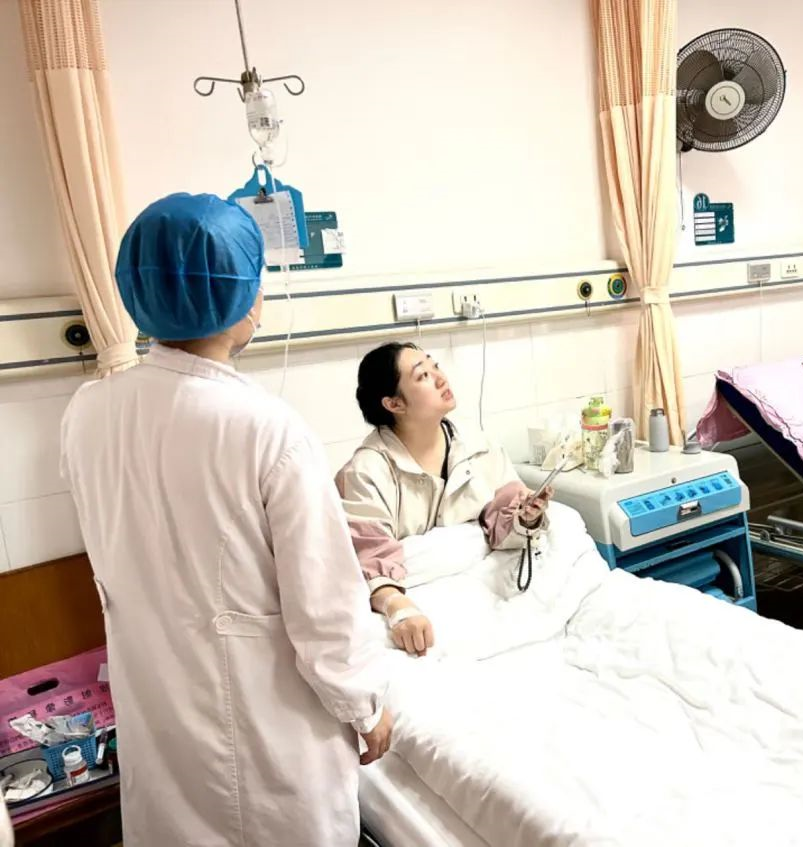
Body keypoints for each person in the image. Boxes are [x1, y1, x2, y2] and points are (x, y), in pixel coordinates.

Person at [60, 193, 394, 846]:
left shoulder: (88, 411)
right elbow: (325, 604)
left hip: (158, 714)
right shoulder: (266, 429)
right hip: (268, 737)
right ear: (245, 299)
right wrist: (365, 705)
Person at [336, 342, 553, 655]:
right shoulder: (366, 472)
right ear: (394, 403)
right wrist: (398, 607)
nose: (440, 378)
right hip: (420, 608)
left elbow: (504, 520)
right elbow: (368, 562)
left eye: (435, 365)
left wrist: (525, 518)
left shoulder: (477, 444)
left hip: (490, 599)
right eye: (422, 375)